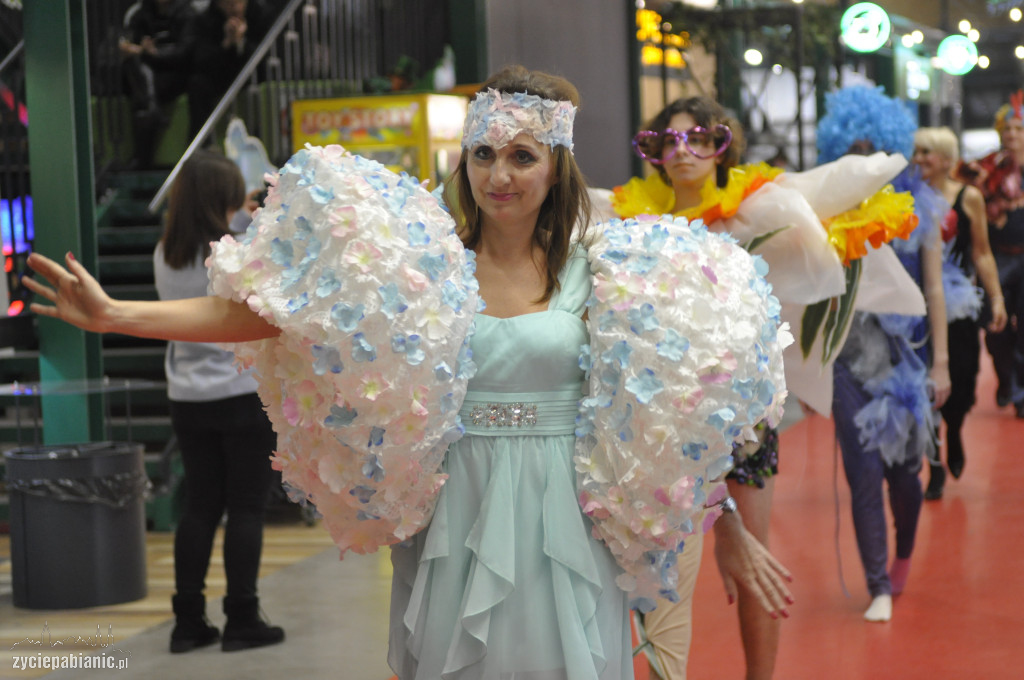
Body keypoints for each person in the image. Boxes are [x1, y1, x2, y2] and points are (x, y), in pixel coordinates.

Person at [25, 65, 793, 680]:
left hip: (568, 514)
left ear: (556, 169)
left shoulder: (608, 271)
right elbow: (276, 313)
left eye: (523, 156)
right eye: (485, 153)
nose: (500, 174)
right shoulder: (426, 266)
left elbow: (679, 404)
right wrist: (120, 316)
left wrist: (721, 518)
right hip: (459, 507)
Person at [612, 95, 917, 678]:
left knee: (754, 558)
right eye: (668, 140)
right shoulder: (634, 223)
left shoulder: (762, 211)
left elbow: (815, 265)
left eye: (700, 137)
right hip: (664, 422)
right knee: (654, 566)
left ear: (723, 144)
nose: (684, 151)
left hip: (744, 419)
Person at [816, 85, 951, 623]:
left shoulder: (919, 206)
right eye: (852, 149)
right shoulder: (828, 208)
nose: (863, 157)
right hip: (846, 359)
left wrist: (941, 362)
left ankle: (903, 555)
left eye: (873, 147)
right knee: (862, 472)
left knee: (906, 478)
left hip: (906, 356)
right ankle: (876, 582)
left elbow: (935, 289)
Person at [155, 149, 284, 653]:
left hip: (186, 396)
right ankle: (241, 617)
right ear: (225, 198)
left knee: (200, 507)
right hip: (240, 393)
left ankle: (188, 621)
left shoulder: (164, 252)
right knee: (246, 508)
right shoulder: (239, 246)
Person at [911, 127, 1007, 499]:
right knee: (922, 380)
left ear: (947, 159)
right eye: (916, 151)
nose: (919, 159)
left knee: (963, 377)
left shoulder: (969, 198)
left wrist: (996, 298)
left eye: (927, 152)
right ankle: (933, 460)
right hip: (916, 306)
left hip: (960, 304)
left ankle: (954, 432)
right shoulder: (907, 198)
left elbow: (982, 252)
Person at [956, 92, 1024, 418]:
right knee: (995, 327)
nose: (1012, 134)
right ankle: (1007, 379)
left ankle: (1020, 389)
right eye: (1007, 128)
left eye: (1019, 128)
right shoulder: (985, 167)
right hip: (995, 257)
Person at [119, 0, 197, 168]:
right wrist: (138, 51)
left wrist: (154, 53)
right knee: (134, 68)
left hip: (174, 74)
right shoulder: (140, 14)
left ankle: (141, 159)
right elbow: (129, 44)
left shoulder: (187, 13)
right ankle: (151, 109)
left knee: (142, 91)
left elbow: (185, 53)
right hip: (143, 73)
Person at [188, 0, 275, 139]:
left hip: (253, 76)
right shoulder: (205, 19)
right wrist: (226, 43)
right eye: (227, 3)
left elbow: (266, 57)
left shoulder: (260, 15)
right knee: (197, 83)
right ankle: (201, 145)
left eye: (237, 2)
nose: (233, 7)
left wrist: (241, 42)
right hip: (220, 74)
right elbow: (201, 61)